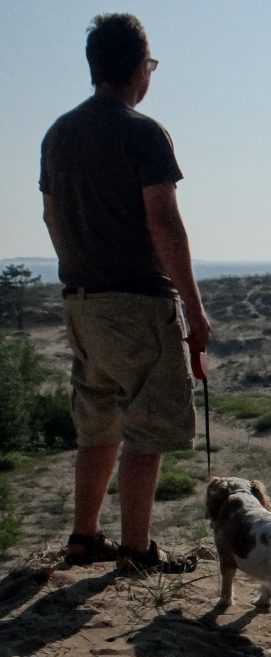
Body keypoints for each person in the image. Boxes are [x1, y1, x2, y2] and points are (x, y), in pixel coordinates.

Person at [39, 13, 211, 574]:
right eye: (151, 64)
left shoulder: (59, 134)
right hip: (137, 302)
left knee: (98, 424)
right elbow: (165, 225)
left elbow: (51, 215)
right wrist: (194, 309)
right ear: (140, 67)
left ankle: (84, 538)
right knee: (147, 428)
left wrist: (79, 271)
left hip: (80, 303)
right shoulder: (143, 132)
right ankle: (137, 550)